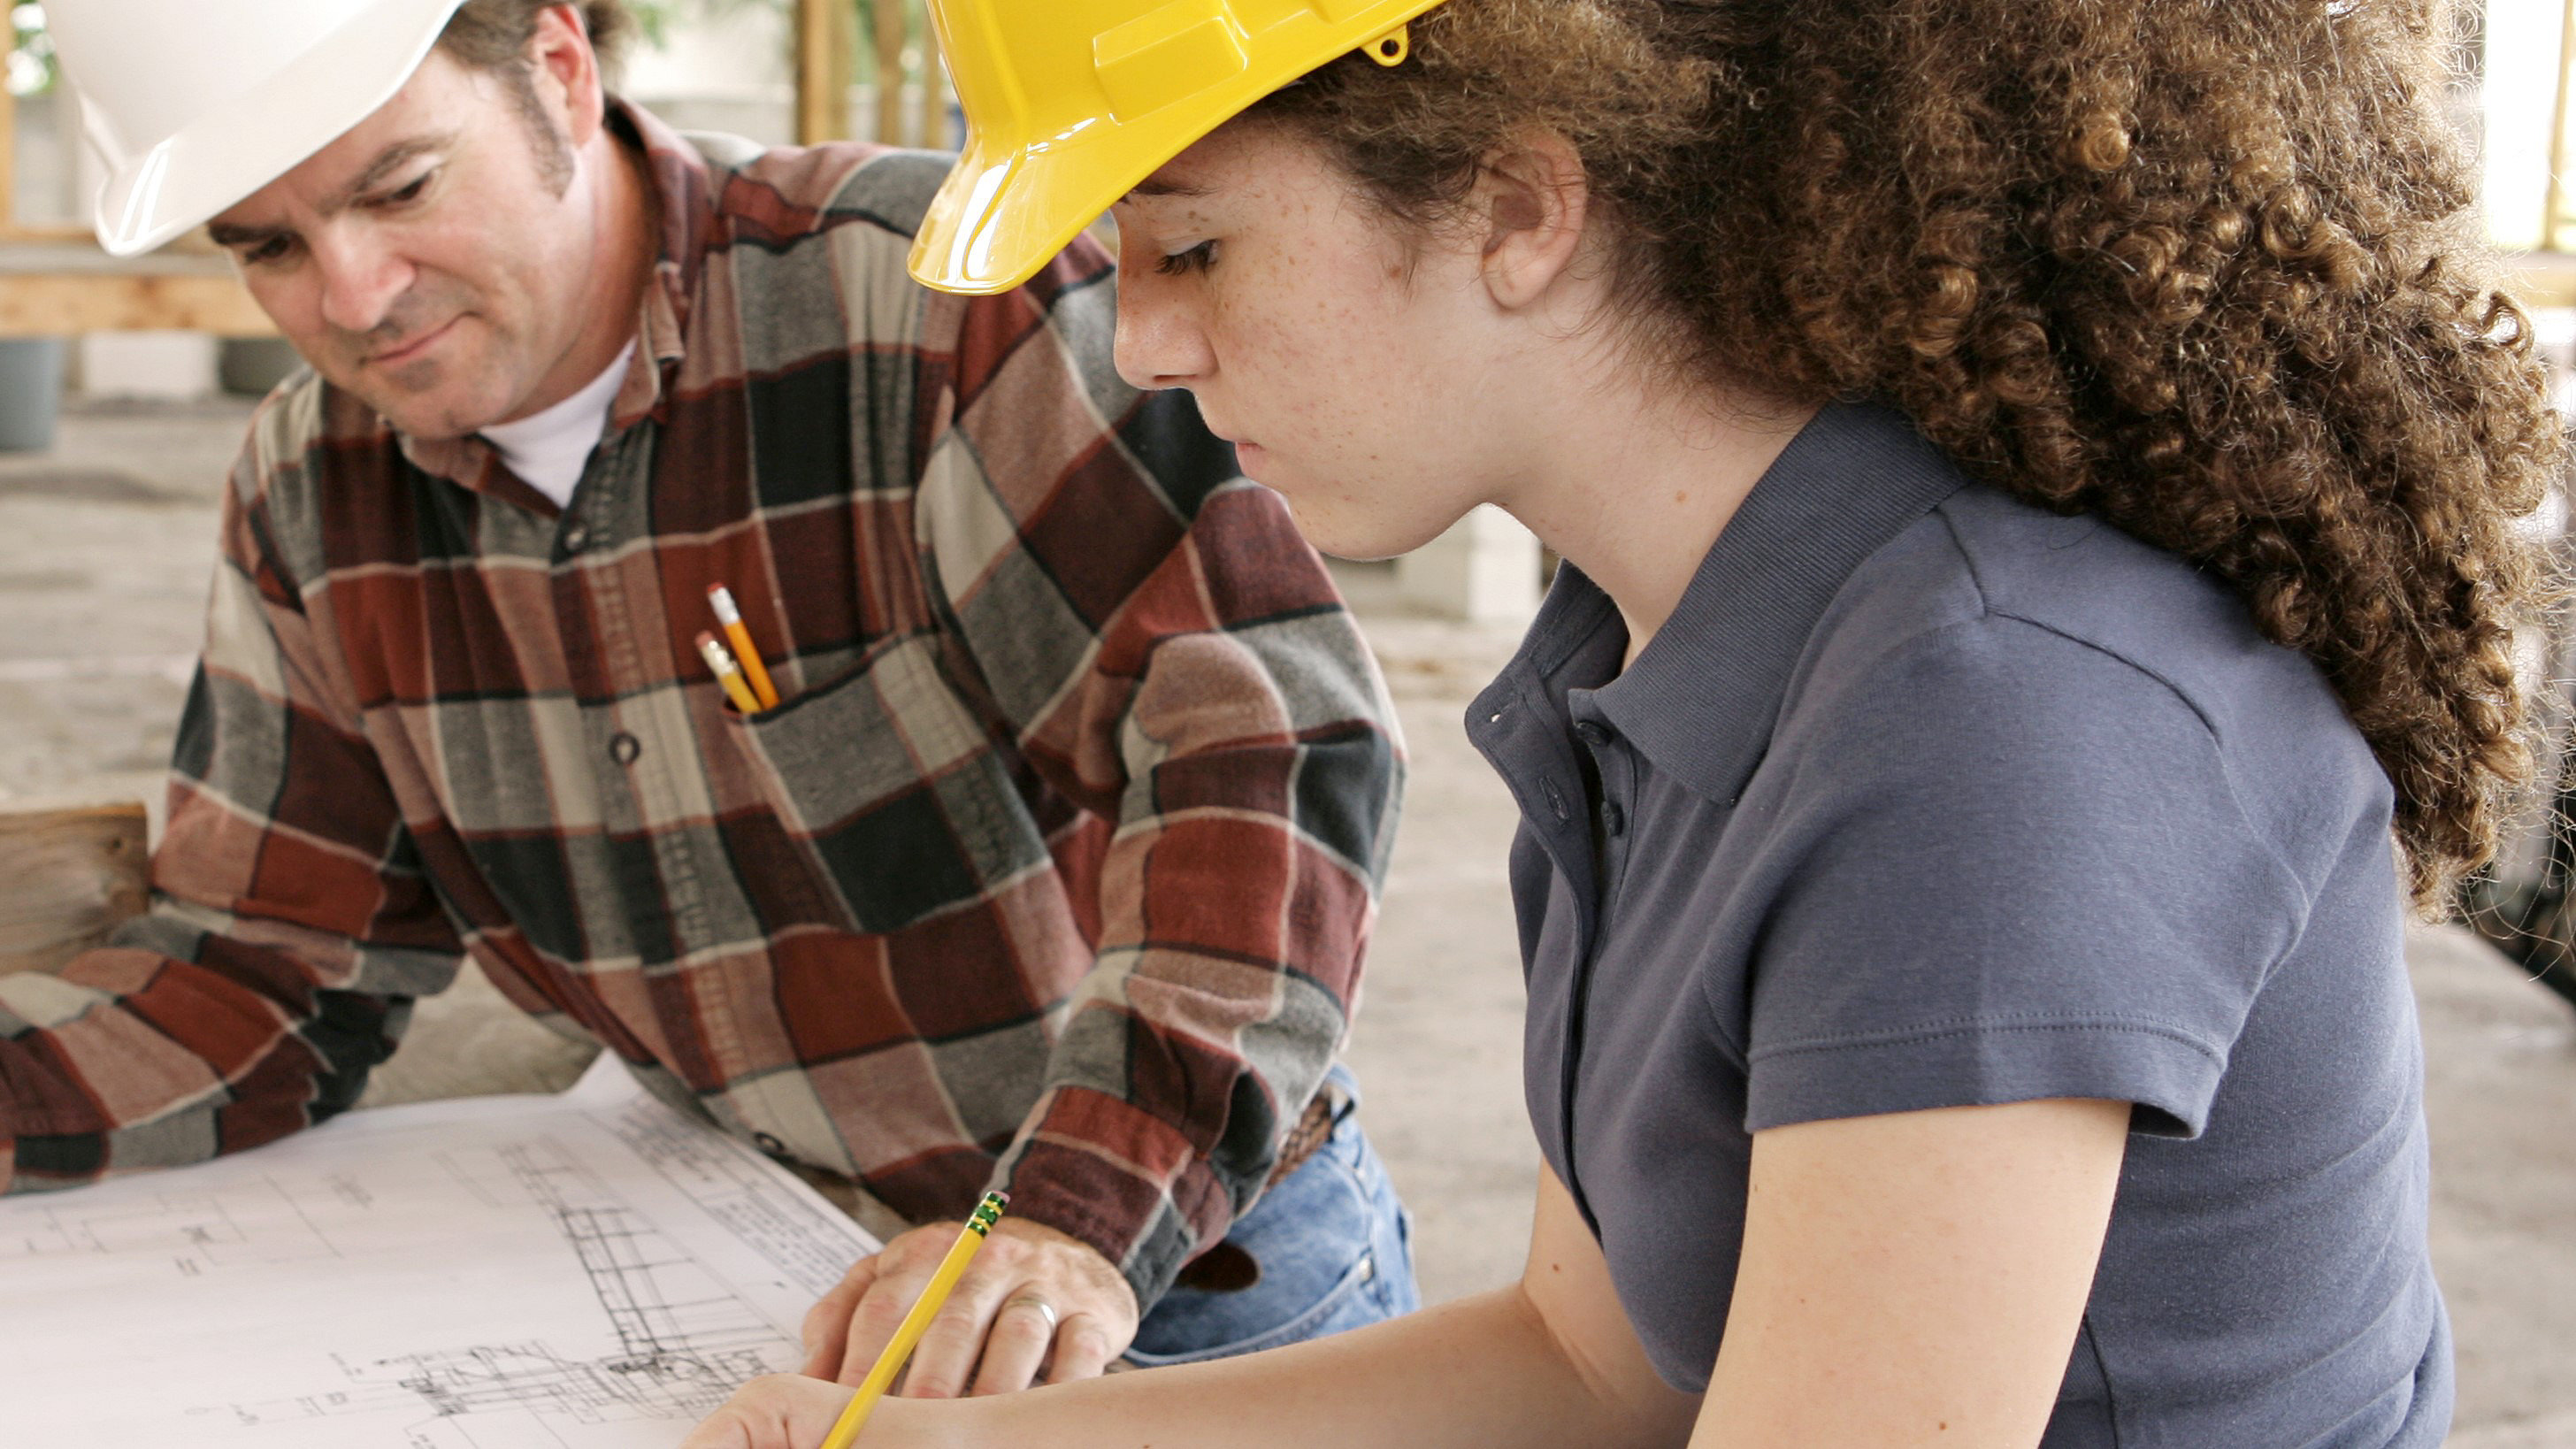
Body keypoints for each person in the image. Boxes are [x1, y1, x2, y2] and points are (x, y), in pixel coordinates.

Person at [684, 0, 2562, 1444]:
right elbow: (1590, 1368)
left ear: (1515, 205)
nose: (1146, 347)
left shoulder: (1994, 725)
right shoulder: (1657, 634)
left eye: (1191, 251)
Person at [1, 0, 1421, 1393]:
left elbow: (1265, 745)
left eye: (403, 188)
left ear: (557, 69)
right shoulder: (314, 497)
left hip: (1169, 1265)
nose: (356, 294)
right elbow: (263, 967)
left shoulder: (933, 307)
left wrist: (1062, 1215)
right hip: (786, 1260)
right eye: (270, 247)